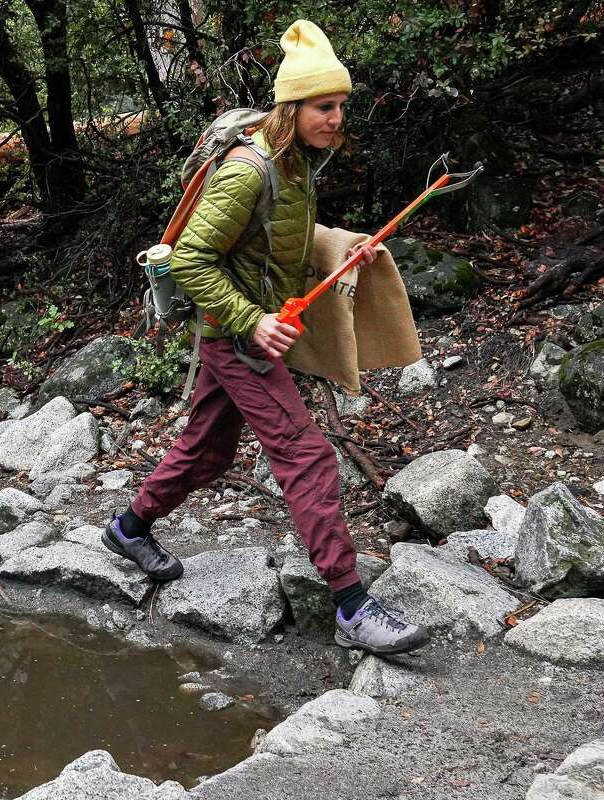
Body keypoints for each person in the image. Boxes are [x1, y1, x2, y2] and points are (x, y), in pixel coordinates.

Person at [103, 21, 429, 656]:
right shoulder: (248, 171)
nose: (337, 119)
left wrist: (340, 242)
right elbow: (192, 258)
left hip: (247, 328)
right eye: (324, 107)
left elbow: (284, 236)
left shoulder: (296, 164)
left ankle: (128, 526)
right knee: (307, 456)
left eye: (340, 106)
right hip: (238, 335)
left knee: (208, 450)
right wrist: (251, 321)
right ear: (292, 107)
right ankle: (351, 603)